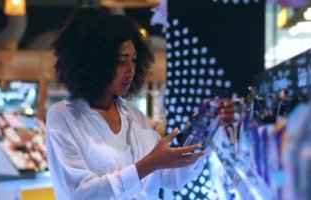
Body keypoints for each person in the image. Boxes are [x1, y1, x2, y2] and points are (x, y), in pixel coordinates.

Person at [46, 8, 235, 199]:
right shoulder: (63, 116)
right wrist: (149, 164)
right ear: (94, 62)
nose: (130, 70)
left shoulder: (133, 115)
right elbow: (80, 193)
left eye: (134, 60)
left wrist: (203, 128)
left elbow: (173, 177)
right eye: (121, 61)